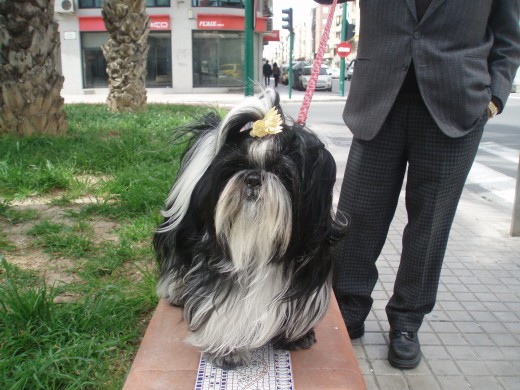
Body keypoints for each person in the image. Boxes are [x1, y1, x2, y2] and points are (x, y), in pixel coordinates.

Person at [318, 0, 520, 369]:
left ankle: (407, 323)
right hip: (379, 99)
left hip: (457, 104)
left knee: (430, 225)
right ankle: (349, 307)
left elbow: (509, 34)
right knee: (356, 218)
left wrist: (494, 98)